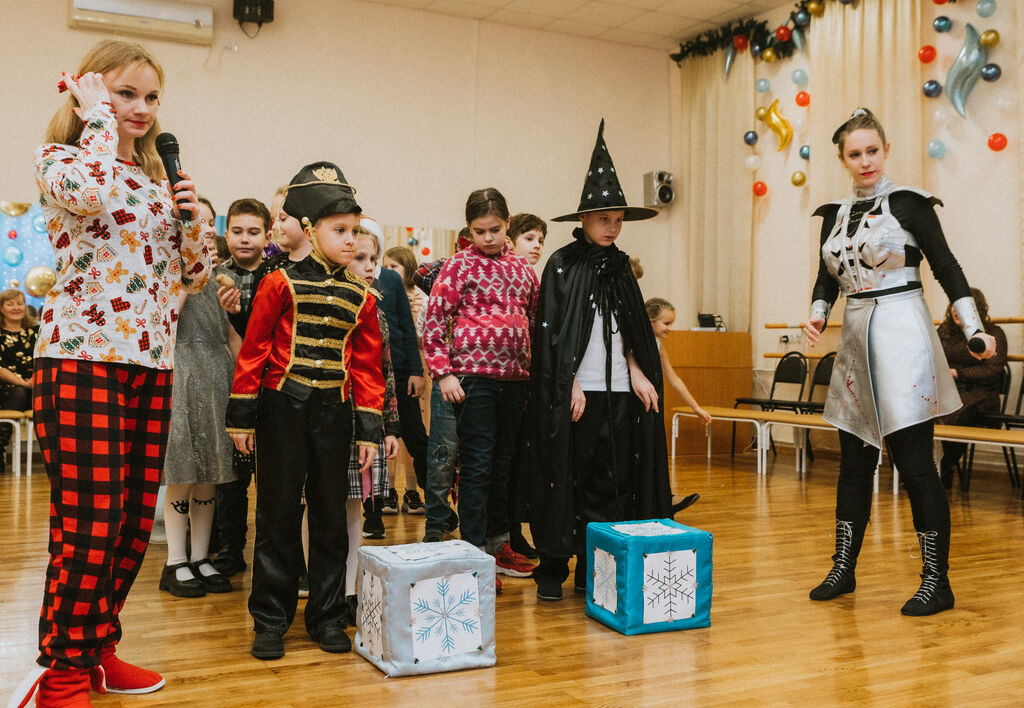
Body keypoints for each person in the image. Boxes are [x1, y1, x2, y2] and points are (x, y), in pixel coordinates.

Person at [14, 39, 211, 706]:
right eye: (126, 93)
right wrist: (95, 117)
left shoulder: (155, 181)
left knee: (128, 526)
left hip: (150, 362)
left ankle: (97, 648)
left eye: (152, 97)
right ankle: (61, 671)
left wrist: (192, 220)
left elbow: (192, 277)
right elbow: (90, 196)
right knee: (90, 522)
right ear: (92, 92)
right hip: (80, 358)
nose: (142, 108)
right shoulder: (61, 159)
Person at [803, 108, 996, 617]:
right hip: (855, 338)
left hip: (903, 332)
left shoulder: (911, 204)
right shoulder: (833, 214)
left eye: (872, 151)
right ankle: (843, 567)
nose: (865, 161)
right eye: (855, 153)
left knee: (914, 465)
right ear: (842, 159)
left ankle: (937, 581)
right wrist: (818, 313)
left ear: (885, 150)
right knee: (853, 462)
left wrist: (973, 329)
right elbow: (826, 277)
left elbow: (946, 264)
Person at [225, 161, 383, 661]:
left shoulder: (363, 297)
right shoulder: (278, 283)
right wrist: (241, 417)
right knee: (276, 514)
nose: (351, 241)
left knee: (331, 518)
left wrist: (369, 431)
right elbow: (253, 350)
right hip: (281, 409)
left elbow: (368, 368)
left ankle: (327, 616)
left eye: (355, 231)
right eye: (340, 231)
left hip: (334, 414)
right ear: (311, 231)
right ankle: (270, 619)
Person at [526, 120, 671, 602]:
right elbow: (552, 335)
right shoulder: (562, 265)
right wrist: (567, 382)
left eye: (618, 220)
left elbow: (630, 332)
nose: (612, 227)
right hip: (577, 391)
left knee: (611, 483)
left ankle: (595, 569)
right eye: (604, 218)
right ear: (585, 218)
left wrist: (638, 372)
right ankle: (553, 567)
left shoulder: (622, 269)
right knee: (566, 476)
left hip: (619, 392)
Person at [422, 188, 539, 586]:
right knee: (477, 466)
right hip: (472, 381)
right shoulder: (458, 266)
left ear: (508, 224)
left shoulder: (523, 270)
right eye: (479, 231)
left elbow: (532, 319)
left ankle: (499, 545)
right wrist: (443, 373)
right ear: (469, 230)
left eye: (495, 229)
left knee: (504, 465)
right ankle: (471, 553)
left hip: (515, 381)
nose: (487, 238)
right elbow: (434, 322)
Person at [158, 218, 237, 598]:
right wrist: (187, 279)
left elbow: (232, 334)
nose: (203, 242)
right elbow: (163, 322)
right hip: (180, 370)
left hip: (217, 373)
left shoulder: (224, 280)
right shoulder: (167, 276)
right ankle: (175, 560)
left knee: (210, 471)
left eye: (207, 236)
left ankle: (201, 556)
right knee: (182, 468)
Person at [208, 199, 271, 578]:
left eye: (253, 232)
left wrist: (239, 315)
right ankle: (229, 549)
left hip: (270, 387)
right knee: (230, 477)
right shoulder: (212, 276)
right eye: (237, 231)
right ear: (226, 232)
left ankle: (268, 553)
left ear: (267, 235)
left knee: (270, 478)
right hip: (224, 387)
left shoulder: (276, 276)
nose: (244, 239)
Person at [344, 227, 401, 612]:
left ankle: (350, 588)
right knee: (317, 506)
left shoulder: (377, 311)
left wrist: (390, 425)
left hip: (365, 420)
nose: (369, 267)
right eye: (360, 259)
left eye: (373, 260)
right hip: (329, 414)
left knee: (354, 505)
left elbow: (386, 372)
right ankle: (321, 581)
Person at [416, 229, 471, 543]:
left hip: (479, 377)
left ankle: (473, 522)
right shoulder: (445, 280)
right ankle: (436, 521)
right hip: (446, 378)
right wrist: (456, 264)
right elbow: (420, 273)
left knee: (476, 457)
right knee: (441, 454)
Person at [935, 287, 1007, 488]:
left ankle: (945, 466)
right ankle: (924, 471)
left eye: (961, 306)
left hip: (981, 393)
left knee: (961, 414)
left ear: (975, 309)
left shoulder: (993, 333)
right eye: (953, 306)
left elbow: (992, 371)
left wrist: (958, 373)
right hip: (949, 390)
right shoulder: (944, 332)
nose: (955, 310)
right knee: (921, 412)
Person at [375, 242, 427, 515]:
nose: (389, 269)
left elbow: (409, 331)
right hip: (374, 373)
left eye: (394, 265)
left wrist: (417, 370)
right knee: (382, 439)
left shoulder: (404, 290)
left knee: (415, 437)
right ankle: (383, 496)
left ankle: (426, 496)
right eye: (385, 264)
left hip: (405, 370)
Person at [0, 289, 39, 473]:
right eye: (10, 304)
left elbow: (44, 359)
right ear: (1, 309)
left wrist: (34, 380)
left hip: (36, 385)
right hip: (7, 388)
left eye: (19, 303)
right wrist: (23, 382)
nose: (16, 307)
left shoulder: (37, 332)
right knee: (20, 391)